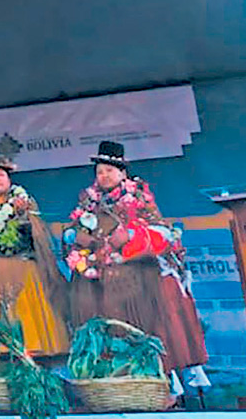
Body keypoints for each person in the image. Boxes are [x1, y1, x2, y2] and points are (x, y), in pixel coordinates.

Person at [63, 141, 209, 392]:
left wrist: (130, 237)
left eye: (109, 170)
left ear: (122, 173)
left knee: (151, 320)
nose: (103, 175)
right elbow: (72, 230)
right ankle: (114, 381)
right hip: (100, 279)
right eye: (99, 171)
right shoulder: (89, 201)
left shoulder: (138, 197)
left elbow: (162, 235)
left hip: (137, 276)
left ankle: (161, 379)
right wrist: (75, 237)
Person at [0, 155, 69, 358]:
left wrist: (17, 223)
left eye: (0, 174)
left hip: (23, 272)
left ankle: (31, 353)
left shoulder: (23, 202)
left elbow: (36, 237)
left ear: (9, 179)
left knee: (28, 334)